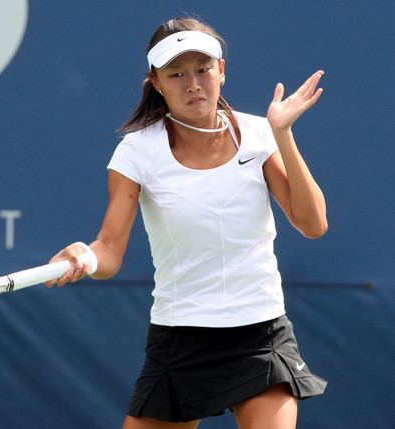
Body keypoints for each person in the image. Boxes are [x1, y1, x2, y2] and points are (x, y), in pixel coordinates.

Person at [45, 16, 328, 429]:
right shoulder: (137, 152)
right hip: (181, 339)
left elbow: (313, 223)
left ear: (222, 72)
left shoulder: (258, 134)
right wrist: (85, 256)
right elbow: (110, 250)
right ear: (156, 83)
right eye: (176, 73)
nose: (192, 83)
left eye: (203, 69)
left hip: (261, 335)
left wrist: (282, 134)